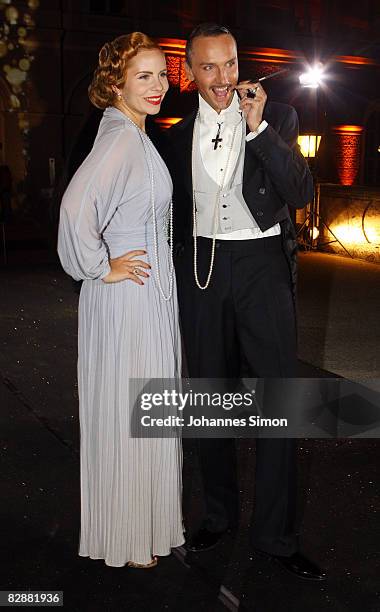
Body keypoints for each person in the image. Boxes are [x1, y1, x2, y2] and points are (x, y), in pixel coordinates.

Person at [168, 23, 326, 581]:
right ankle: (217, 516)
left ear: (240, 63)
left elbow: (302, 192)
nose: (222, 78)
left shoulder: (276, 116)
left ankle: (277, 537)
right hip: (203, 270)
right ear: (190, 71)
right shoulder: (175, 134)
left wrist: (258, 130)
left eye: (230, 64)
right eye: (208, 67)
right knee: (208, 393)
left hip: (262, 266)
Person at [57, 32, 184, 568]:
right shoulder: (118, 140)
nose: (159, 86)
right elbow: (74, 211)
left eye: (162, 74)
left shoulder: (134, 134)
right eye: (144, 76)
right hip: (127, 299)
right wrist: (98, 267)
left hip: (145, 296)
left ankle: (140, 530)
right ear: (115, 83)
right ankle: (130, 538)